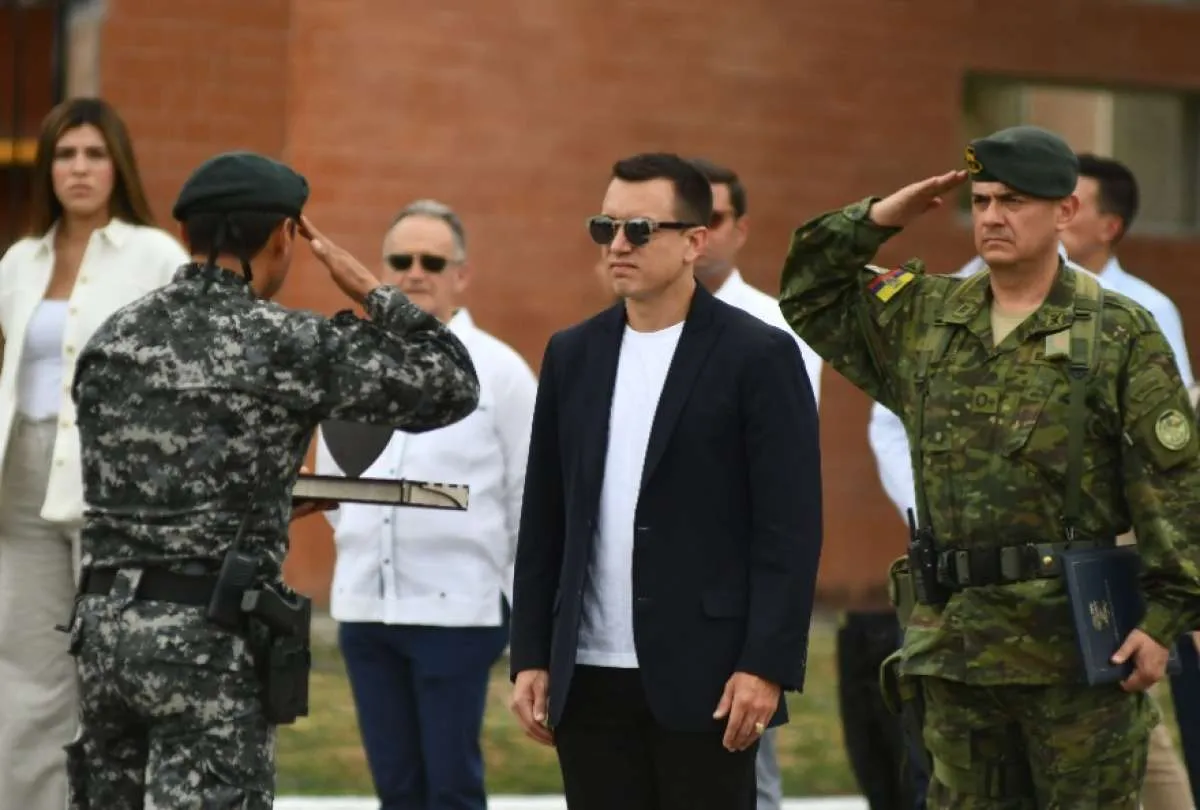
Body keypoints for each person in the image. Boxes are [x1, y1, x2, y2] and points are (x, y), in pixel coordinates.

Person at [777, 125, 1200, 806]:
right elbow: (808, 292)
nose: (993, 217)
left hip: (1074, 646)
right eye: (981, 200)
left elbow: (1174, 484)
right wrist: (880, 217)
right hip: (958, 648)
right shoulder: (924, 317)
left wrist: (1164, 622)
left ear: (1065, 211)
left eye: (1014, 201)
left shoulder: (1118, 329)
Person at [63, 151, 481, 807]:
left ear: (186, 233)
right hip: (204, 644)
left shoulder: (113, 338)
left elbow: (142, 485)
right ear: (284, 237)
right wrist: (371, 291)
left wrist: (261, 496)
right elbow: (452, 382)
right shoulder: (283, 342)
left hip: (102, 637)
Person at [508, 152, 823, 810]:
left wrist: (765, 664)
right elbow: (545, 517)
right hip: (587, 678)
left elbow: (789, 530)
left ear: (694, 242)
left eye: (640, 229)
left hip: (708, 677)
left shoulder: (760, 355)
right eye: (606, 227)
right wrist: (531, 653)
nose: (618, 244)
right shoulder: (572, 354)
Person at [315, 198, 536, 810]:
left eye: (432, 262)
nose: (415, 273)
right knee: (396, 789)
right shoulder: (352, 366)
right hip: (365, 608)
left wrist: (523, 613)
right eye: (400, 260)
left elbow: (530, 495)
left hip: (457, 612)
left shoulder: (500, 371)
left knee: (451, 788)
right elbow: (335, 487)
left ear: (461, 275)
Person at [0, 96, 188, 810]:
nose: (78, 168)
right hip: (20, 477)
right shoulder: (19, 262)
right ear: (48, 169)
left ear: (118, 166)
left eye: (94, 154)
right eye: (65, 154)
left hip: (114, 488)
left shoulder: (156, 255)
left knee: (111, 671)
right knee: (25, 668)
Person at [688, 156, 823, 810]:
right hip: (648, 594)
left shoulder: (775, 330)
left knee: (746, 777)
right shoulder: (631, 325)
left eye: (713, 218)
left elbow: (783, 482)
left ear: (740, 229)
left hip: (736, 590)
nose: (700, 234)